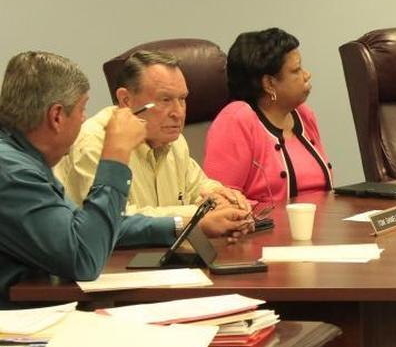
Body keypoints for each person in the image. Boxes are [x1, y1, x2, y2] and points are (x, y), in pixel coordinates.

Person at [0, 52, 178, 304]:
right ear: (57, 116)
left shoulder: (23, 159)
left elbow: (86, 227)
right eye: (82, 109)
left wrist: (179, 226)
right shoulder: (11, 172)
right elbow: (84, 257)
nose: (84, 119)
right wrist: (116, 153)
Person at [55, 50, 253, 240]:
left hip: (162, 260)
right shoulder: (96, 141)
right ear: (126, 100)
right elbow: (115, 221)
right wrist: (196, 215)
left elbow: (200, 187)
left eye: (182, 99)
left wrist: (222, 199)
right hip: (110, 265)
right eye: (165, 100)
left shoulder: (174, 141)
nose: (178, 113)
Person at [204, 28, 333, 204]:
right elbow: (221, 202)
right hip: (266, 230)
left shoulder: (303, 114)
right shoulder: (237, 120)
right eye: (296, 70)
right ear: (269, 83)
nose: (306, 74)